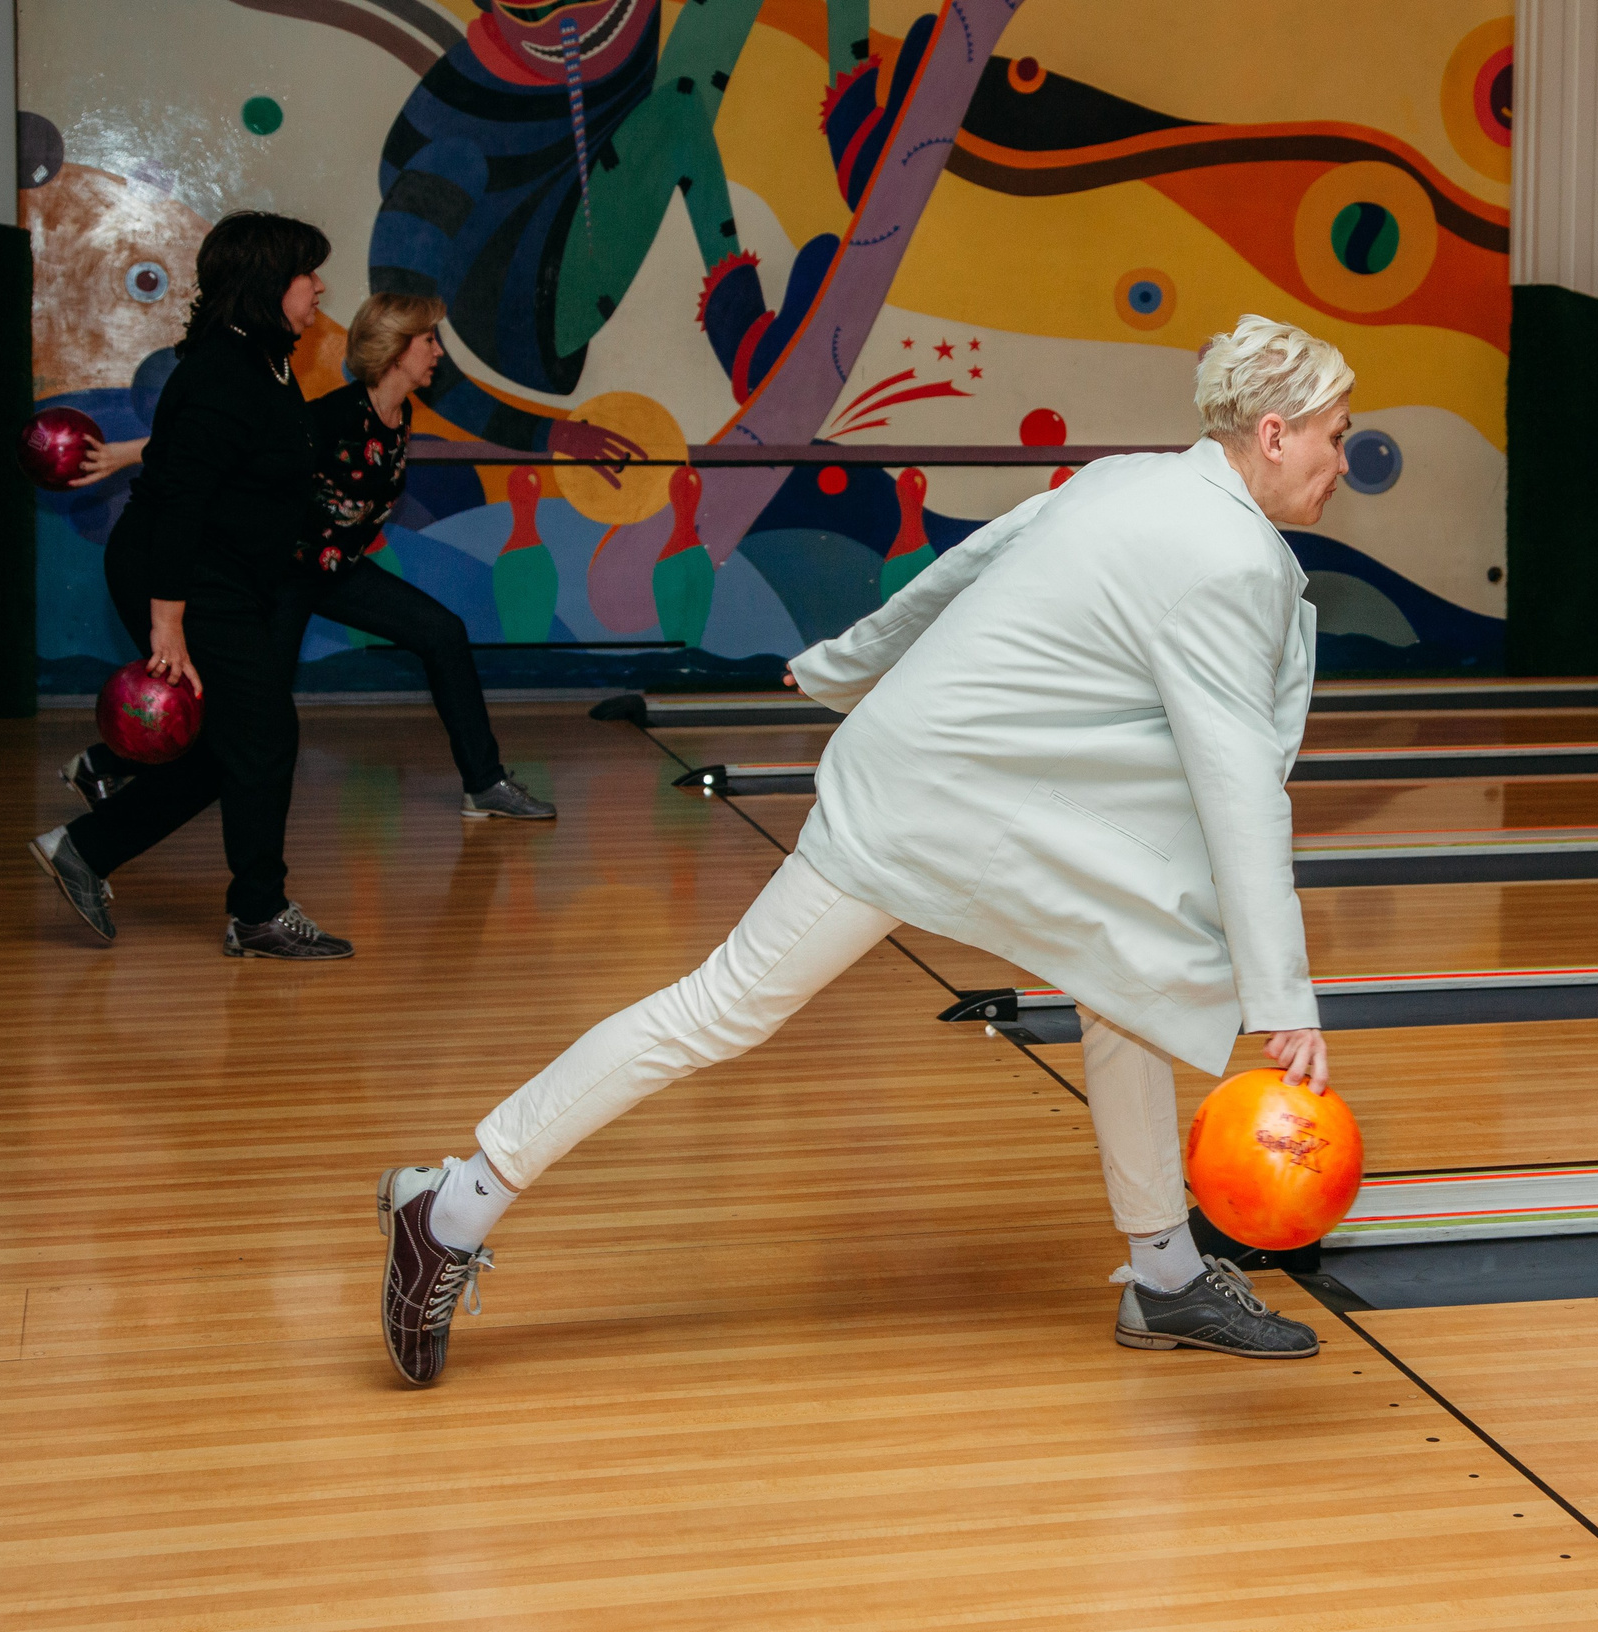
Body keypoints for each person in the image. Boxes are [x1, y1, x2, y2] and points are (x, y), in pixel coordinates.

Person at [375, 314, 1354, 1387]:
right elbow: (1235, 780)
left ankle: (1164, 1273)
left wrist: (850, 660)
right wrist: (1283, 998)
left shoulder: (1133, 481)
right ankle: (450, 1206)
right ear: (1272, 432)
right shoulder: (1227, 558)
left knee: (1123, 978)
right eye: (1334, 438)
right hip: (927, 804)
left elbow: (971, 560)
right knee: (726, 1005)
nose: (1339, 464)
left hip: (998, 801)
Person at [64, 294, 554, 821]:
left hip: (335, 570)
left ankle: (484, 783)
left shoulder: (400, 414)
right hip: (279, 579)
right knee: (249, 717)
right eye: (428, 340)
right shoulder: (331, 417)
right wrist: (118, 454)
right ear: (394, 350)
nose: (438, 351)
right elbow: (217, 444)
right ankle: (103, 762)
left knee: (442, 633)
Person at [29, 210, 354, 960]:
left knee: (229, 748)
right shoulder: (221, 371)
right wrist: (166, 625)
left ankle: (84, 847)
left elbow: (218, 451)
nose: (319, 287)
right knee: (266, 735)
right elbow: (181, 504)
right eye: (309, 275)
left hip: (223, 575)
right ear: (270, 284)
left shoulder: (262, 359)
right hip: (184, 575)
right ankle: (258, 912)